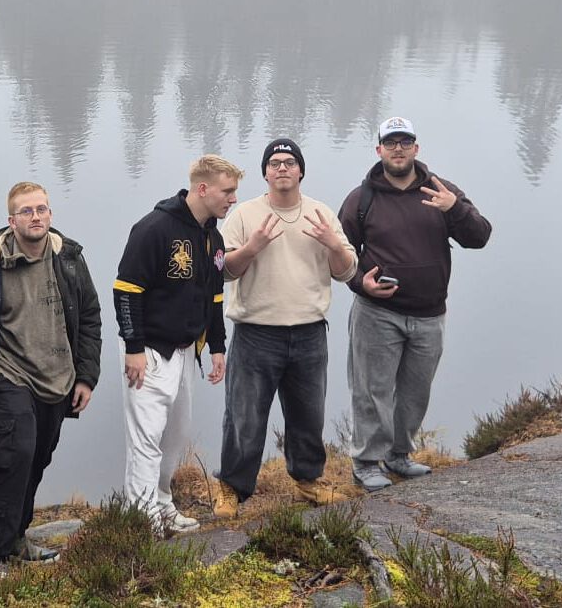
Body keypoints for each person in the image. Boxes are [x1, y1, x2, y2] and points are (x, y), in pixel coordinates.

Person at [0, 181, 103, 578]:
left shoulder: (68, 258)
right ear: (11, 220)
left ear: (51, 215)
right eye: (27, 211)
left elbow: (90, 319)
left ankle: (17, 537)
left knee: (37, 458)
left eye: (42, 209)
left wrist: (86, 376)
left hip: (58, 376)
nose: (36, 217)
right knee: (14, 454)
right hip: (8, 373)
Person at [339, 117, 492, 492]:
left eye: (405, 142)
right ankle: (366, 462)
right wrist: (362, 283)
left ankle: (398, 455)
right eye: (390, 143)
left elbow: (480, 236)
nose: (398, 149)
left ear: (416, 148)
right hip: (378, 312)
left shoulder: (441, 191)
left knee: (414, 391)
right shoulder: (362, 199)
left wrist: (453, 208)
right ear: (379, 150)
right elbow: (339, 256)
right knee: (372, 390)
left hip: (430, 313)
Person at [212, 139, 357, 515]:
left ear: (300, 171)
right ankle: (232, 488)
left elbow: (347, 271)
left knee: (308, 414)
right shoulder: (244, 215)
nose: (281, 169)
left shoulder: (321, 213)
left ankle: (309, 481)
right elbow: (224, 270)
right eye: (274, 163)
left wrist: (331, 243)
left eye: (289, 162)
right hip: (256, 333)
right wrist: (253, 247)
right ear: (264, 172)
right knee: (245, 417)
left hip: (309, 332)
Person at [114, 154, 236, 534]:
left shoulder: (212, 238)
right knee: (146, 438)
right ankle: (141, 517)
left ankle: (163, 503)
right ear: (203, 189)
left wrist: (217, 346)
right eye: (227, 191)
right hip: (148, 349)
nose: (233, 199)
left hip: (186, 351)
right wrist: (133, 347)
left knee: (176, 436)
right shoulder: (153, 228)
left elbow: (215, 296)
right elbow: (126, 290)